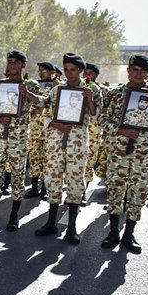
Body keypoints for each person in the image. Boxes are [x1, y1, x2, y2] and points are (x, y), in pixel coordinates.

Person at [99, 55, 148, 253]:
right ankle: (113, 233)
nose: (139, 74)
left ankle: (129, 235)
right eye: (135, 70)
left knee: (138, 193)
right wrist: (120, 130)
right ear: (128, 71)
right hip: (118, 152)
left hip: (141, 153)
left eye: (143, 71)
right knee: (115, 191)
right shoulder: (115, 94)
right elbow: (103, 120)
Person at [35, 53, 101, 245]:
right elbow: (45, 116)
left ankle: (71, 228)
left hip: (77, 144)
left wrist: (90, 101)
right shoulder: (57, 90)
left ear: (81, 71)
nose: (69, 74)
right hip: (56, 142)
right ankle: (51, 223)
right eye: (66, 70)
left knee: (75, 183)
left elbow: (97, 118)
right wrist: (54, 124)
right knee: (53, 180)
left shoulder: (92, 89)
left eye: (73, 70)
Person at [0, 50, 44, 231]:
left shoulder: (30, 85)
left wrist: (28, 95)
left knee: (17, 178)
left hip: (18, 141)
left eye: (17, 62)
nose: (13, 65)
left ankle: (13, 217)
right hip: (0, 139)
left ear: (23, 65)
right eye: (10, 62)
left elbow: (44, 103)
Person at [24, 62, 54, 199]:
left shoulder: (57, 87)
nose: (41, 73)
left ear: (51, 72)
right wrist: (36, 109)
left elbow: (51, 106)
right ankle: (34, 187)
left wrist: (41, 109)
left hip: (48, 130)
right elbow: (28, 105)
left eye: (44, 70)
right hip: (35, 129)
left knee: (47, 159)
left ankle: (45, 189)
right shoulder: (34, 87)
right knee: (34, 158)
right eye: (40, 70)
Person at [82, 62, 109, 205]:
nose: (86, 76)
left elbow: (102, 113)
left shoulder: (99, 90)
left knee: (90, 161)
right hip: (80, 130)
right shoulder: (78, 87)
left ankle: (82, 192)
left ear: (96, 75)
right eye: (85, 73)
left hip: (94, 131)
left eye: (90, 73)